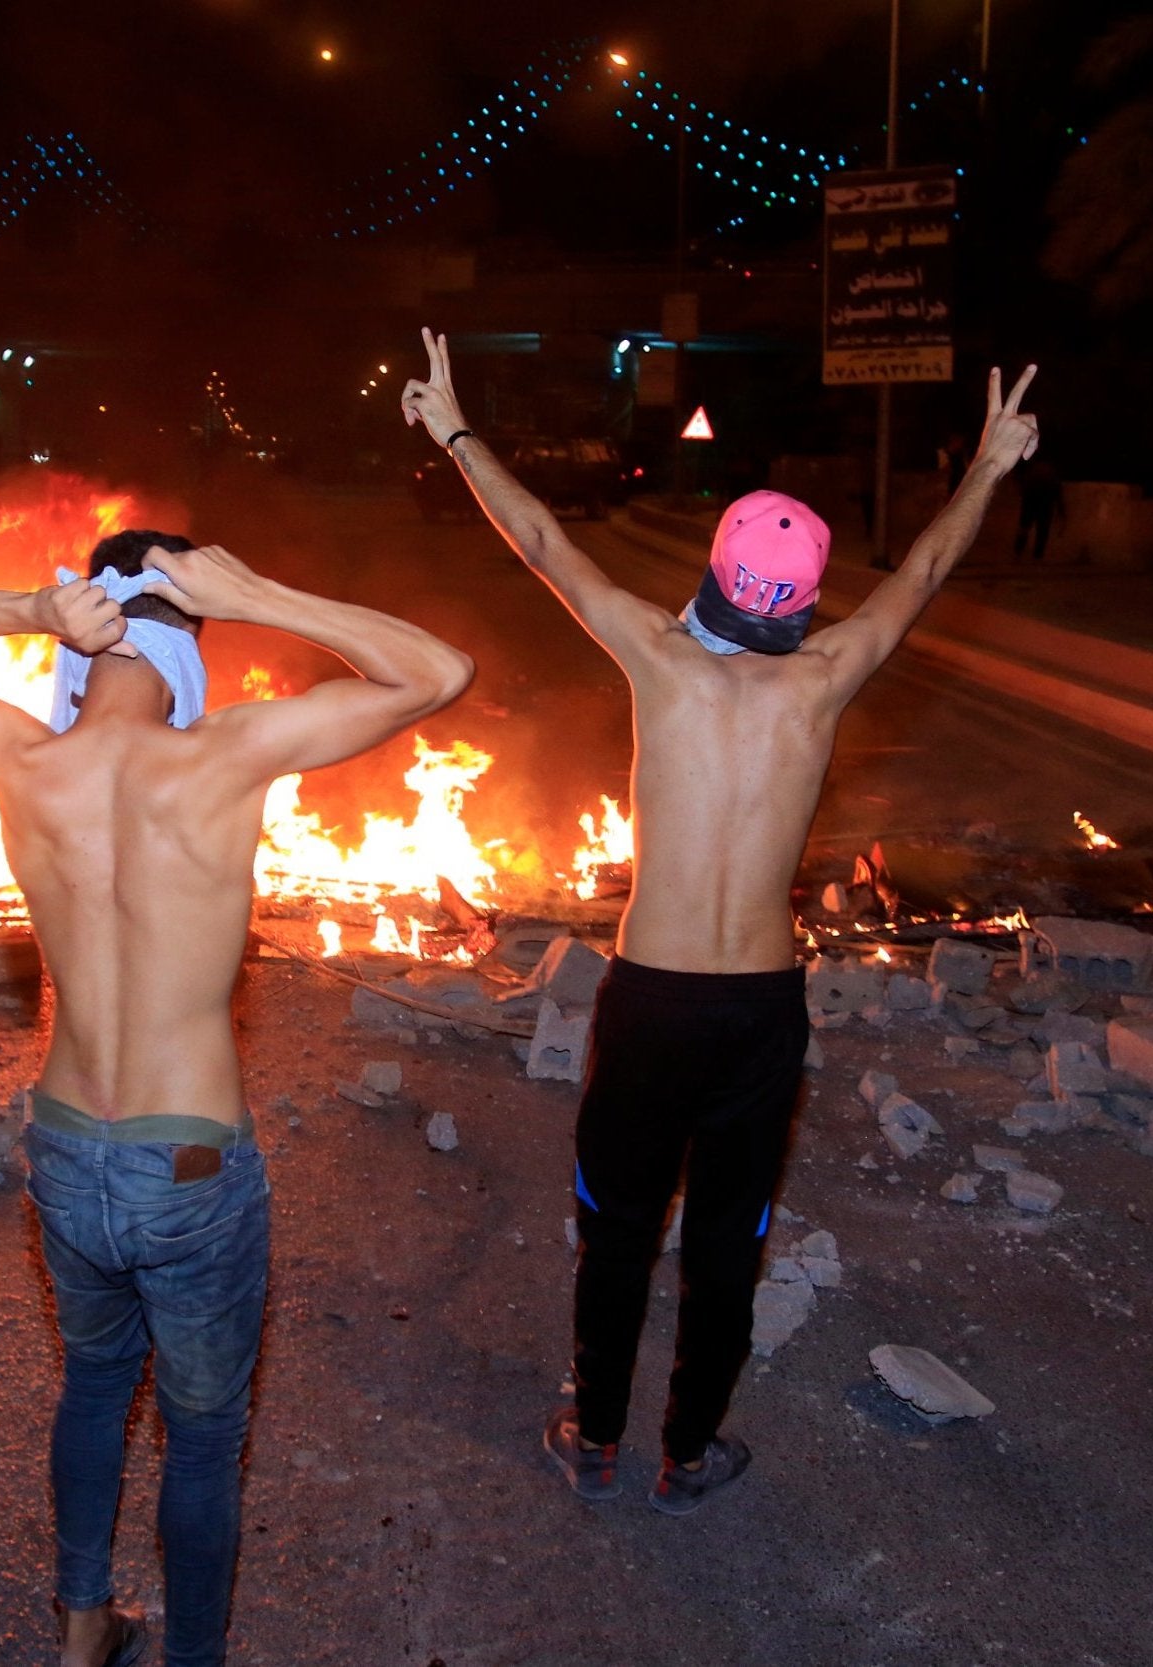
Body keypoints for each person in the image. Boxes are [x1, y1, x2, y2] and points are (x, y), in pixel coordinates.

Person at [400, 328, 1038, 1515]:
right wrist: (990, 463)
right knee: (726, 1244)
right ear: (800, 603)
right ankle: (685, 1451)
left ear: (711, 574)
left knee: (616, 1227)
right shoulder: (826, 672)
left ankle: (592, 1434)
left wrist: (452, 426)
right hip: (757, 1010)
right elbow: (922, 577)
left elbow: (543, 540)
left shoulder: (659, 658)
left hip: (651, 996)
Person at [0, 534, 471, 1667]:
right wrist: (264, 591)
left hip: (65, 1145)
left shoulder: (22, 757)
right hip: (187, 1163)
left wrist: (30, 606)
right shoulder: (228, 754)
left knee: (95, 1385)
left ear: (83, 647)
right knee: (199, 1439)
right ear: (193, 647)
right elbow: (437, 673)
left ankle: (82, 1628)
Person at [1012, 455, 1064, 562]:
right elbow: (1057, 490)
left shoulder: (1033, 470)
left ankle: (1018, 553)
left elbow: (1023, 487)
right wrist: (1060, 509)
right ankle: (1036, 556)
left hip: (1032, 501)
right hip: (1044, 502)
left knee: (1025, 528)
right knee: (1042, 531)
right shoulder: (1051, 472)